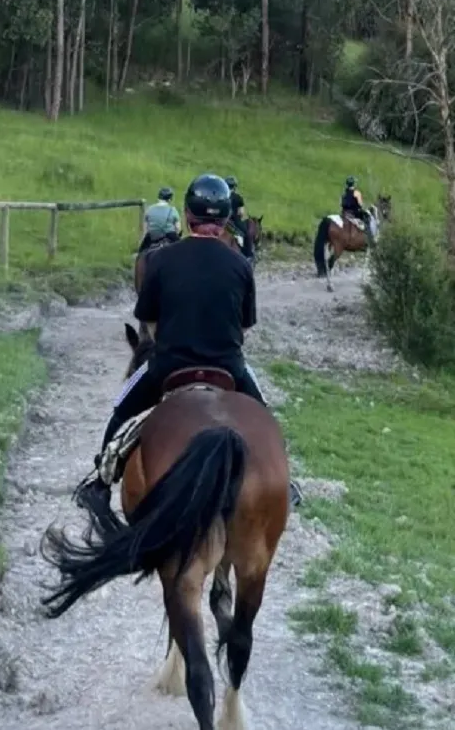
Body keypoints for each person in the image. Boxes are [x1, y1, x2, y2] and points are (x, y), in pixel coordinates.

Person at [79, 173, 300, 508]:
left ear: (187, 215)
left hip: (169, 365)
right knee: (264, 415)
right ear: (226, 219)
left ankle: (101, 478)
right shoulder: (241, 266)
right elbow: (244, 329)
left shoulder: (161, 260)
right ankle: (287, 483)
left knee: (121, 409)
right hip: (227, 367)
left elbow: (149, 322)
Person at [139, 186, 181, 252]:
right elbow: (178, 228)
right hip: (169, 235)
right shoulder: (173, 210)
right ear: (169, 199)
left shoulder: (150, 209)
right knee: (181, 251)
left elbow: (145, 229)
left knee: (141, 252)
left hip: (152, 236)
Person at [225, 175, 254, 261]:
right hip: (234, 221)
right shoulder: (238, 197)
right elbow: (241, 213)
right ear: (234, 187)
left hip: (221, 220)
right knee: (246, 233)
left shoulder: (222, 196)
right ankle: (248, 254)